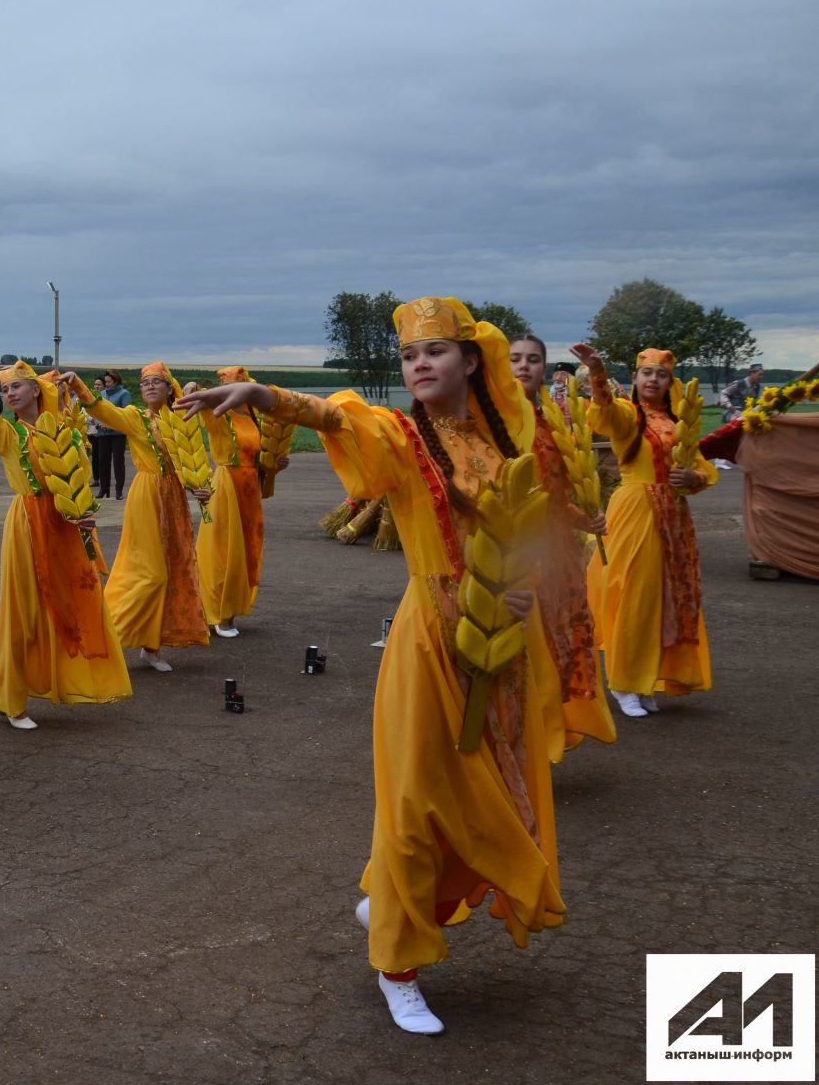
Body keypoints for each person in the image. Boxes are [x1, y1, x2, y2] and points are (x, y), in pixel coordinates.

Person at [179, 296, 562, 1038]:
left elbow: (533, 527)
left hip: (506, 639)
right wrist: (262, 395)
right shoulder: (401, 436)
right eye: (410, 356)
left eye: (436, 353)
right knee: (417, 803)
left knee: (491, 798)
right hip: (431, 640)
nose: (419, 365)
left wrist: (524, 591)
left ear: (470, 362)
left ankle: (389, 903)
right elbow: (336, 417)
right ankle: (397, 964)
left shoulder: (505, 439)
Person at [0, 334, 130, 730]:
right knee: (25, 607)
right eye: (4, 389)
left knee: (68, 603)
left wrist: (85, 515)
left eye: (16, 386)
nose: (8, 394)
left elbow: (80, 481)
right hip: (27, 522)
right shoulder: (9, 435)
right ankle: (12, 700)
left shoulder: (68, 433)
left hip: (66, 526)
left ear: (37, 389)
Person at [572, 343, 717, 718]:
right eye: (647, 373)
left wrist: (693, 476)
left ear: (671, 382)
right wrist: (598, 372)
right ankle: (624, 682)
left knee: (668, 597)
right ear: (635, 379)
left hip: (673, 516)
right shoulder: (627, 415)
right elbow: (603, 412)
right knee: (634, 595)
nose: (654, 379)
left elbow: (702, 467)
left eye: (661, 374)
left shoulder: (677, 423)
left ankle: (648, 678)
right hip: (636, 510)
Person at [509, 335, 615, 752]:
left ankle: (546, 737)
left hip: (556, 554)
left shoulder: (555, 423)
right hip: (512, 553)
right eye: (514, 359)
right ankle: (515, 742)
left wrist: (586, 518)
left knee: (556, 644)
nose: (524, 366)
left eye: (533, 360)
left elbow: (559, 497)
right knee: (518, 648)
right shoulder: (490, 424)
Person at [67, 364, 211, 671]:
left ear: (170, 386)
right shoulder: (135, 417)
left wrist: (201, 488)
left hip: (173, 498)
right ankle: (103, 633)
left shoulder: (181, 419)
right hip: (147, 495)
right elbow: (103, 411)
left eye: (157, 382)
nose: (150, 387)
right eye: (145, 383)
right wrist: (80, 386)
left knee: (172, 571)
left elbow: (193, 459)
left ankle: (151, 647)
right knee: (148, 573)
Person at [191, 364, 279, 638]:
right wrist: (192, 387)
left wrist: (276, 463)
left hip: (250, 486)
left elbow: (261, 456)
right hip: (227, 483)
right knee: (222, 549)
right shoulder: (218, 413)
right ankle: (218, 612)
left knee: (247, 548)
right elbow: (195, 394)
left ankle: (231, 608)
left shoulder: (254, 416)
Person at [88, 371, 131, 499]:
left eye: (108, 382)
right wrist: (98, 423)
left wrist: (111, 424)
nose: (105, 384)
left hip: (118, 433)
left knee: (118, 462)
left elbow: (126, 413)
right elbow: (96, 411)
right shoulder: (102, 394)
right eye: (105, 382)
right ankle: (104, 489)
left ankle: (119, 491)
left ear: (116, 382)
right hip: (103, 434)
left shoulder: (124, 394)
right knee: (103, 462)